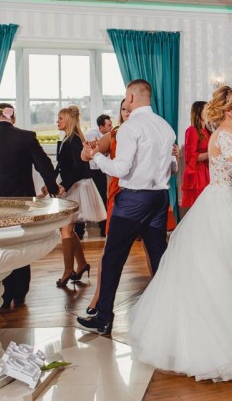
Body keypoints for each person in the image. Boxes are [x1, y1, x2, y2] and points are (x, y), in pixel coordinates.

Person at [125, 85, 232, 381]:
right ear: (229, 110)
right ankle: (214, 346)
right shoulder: (221, 135)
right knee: (219, 273)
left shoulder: (231, 137)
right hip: (221, 208)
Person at [77, 80, 177, 334]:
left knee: (113, 258)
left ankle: (104, 317)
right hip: (160, 197)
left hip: (133, 200)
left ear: (131, 97)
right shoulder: (165, 127)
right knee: (159, 257)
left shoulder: (131, 127)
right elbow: (172, 167)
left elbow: (120, 169)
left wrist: (95, 156)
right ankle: (170, 314)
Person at [0, 103, 60, 309]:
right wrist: (53, 187)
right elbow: (44, 165)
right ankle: (20, 292)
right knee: (19, 243)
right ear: (13, 118)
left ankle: (0, 292)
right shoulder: (26, 137)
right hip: (20, 200)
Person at [80, 99, 131, 316]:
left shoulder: (149, 131)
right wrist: (89, 150)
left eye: (130, 108)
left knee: (154, 251)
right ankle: (98, 298)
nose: (127, 112)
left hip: (147, 197)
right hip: (118, 195)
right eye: (123, 109)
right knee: (110, 252)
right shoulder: (114, 135)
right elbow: (86, 155)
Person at [55, 106, 106, 288]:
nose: (57, 121)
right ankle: (82, 264)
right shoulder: (66, 139)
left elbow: (77, 168)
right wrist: (51, 183)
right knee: (68, 229)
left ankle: (68, 270)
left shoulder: (75, 140)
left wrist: (64, 185)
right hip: (72, 186)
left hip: (77, 187)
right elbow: (62, 166)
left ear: (68, 120)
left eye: (60, 118)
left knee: (66, 229)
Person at [85, 114, 113, 236]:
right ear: (101, 127)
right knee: (90, 198)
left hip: (103, 170)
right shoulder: (89, 134)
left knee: (103, 198)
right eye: (109, 125)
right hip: (90, 170)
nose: (111, 127)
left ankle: (104, 229)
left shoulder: (111, 136)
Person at [181, 101, 210, 209]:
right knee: (200, 208)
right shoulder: (192, 130)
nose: (209, 111)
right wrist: (211, 153)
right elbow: (190, 156)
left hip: (206, 171)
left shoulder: (206, 131)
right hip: (197, 173)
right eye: (207, 109)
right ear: (198, 112)